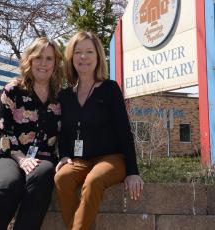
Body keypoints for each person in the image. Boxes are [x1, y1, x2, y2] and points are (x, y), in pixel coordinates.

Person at [54, 31, 144, 230]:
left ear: (98, 57)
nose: (83, 57)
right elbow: (64, 132)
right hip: (80, 160)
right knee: (62, 178)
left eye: (89, 52)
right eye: (78, 52)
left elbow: (124, 131)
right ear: (71, 57)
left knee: (94, 181)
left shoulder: (110, 89)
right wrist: (64, 155)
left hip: (111, 159)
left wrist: (132, 171)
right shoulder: (65, 95)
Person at [0, 37, 63, 230]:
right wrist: (21, 159)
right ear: (30, 60)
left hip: (41, 159)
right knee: (11, 183)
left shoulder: (60, 97)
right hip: (7, 155)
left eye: (49, 58)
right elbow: (1, 128)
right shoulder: (13, 90)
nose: (44, 63)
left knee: (43, 174)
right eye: (39, 57)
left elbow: (67, 131)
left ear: (55, 63)